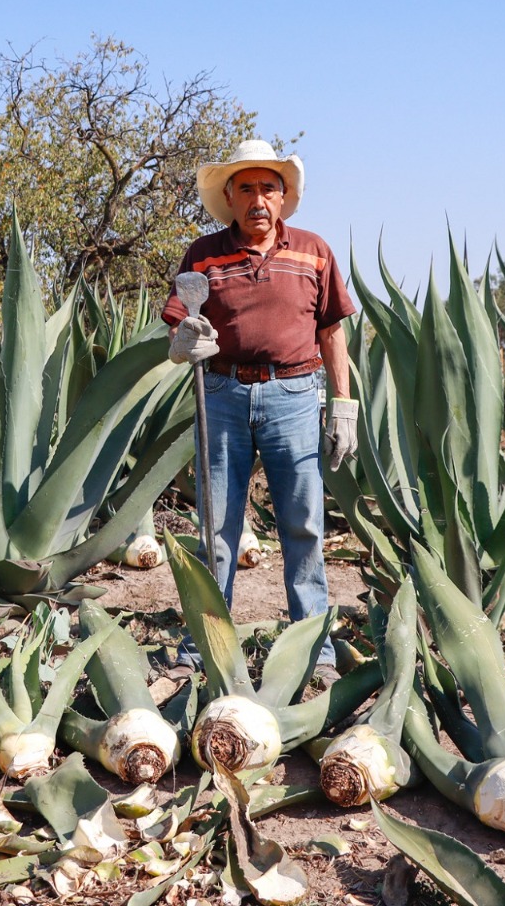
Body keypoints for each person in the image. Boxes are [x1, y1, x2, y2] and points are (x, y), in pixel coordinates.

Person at [161, 139, 359, 682]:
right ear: (229, 196)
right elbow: (179, 320)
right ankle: (203, 646)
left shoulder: (313, 251)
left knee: (303, 525)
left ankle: (313, 651)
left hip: (294, 396)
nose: (257, 199)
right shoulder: (203, 255)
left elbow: (331, 331)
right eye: (245, 188)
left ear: (283, 196)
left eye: (268, 188)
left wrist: (343, 404)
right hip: (221, 395)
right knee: (216, 526)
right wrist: (183, 341)